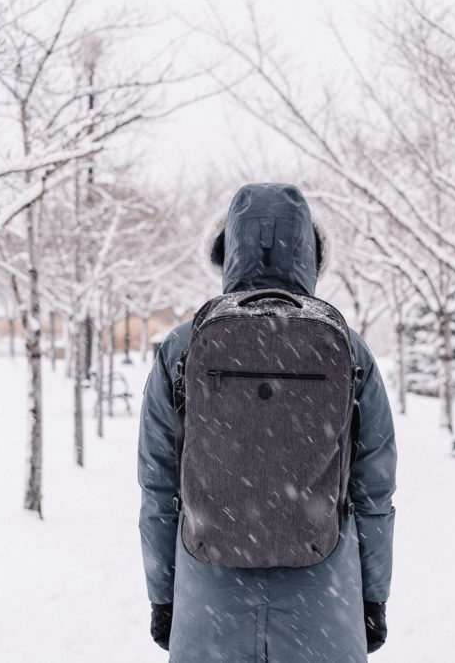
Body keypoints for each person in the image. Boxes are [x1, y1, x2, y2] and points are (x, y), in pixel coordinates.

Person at [137, 182, 397, 661]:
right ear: (312, 255)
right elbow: (374, 491)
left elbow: (158, 488)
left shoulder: (183, 347)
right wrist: (372, 595)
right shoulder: (349, 349)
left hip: (209, 590)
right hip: (323, 595)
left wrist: (164, 596)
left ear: (226, 251)